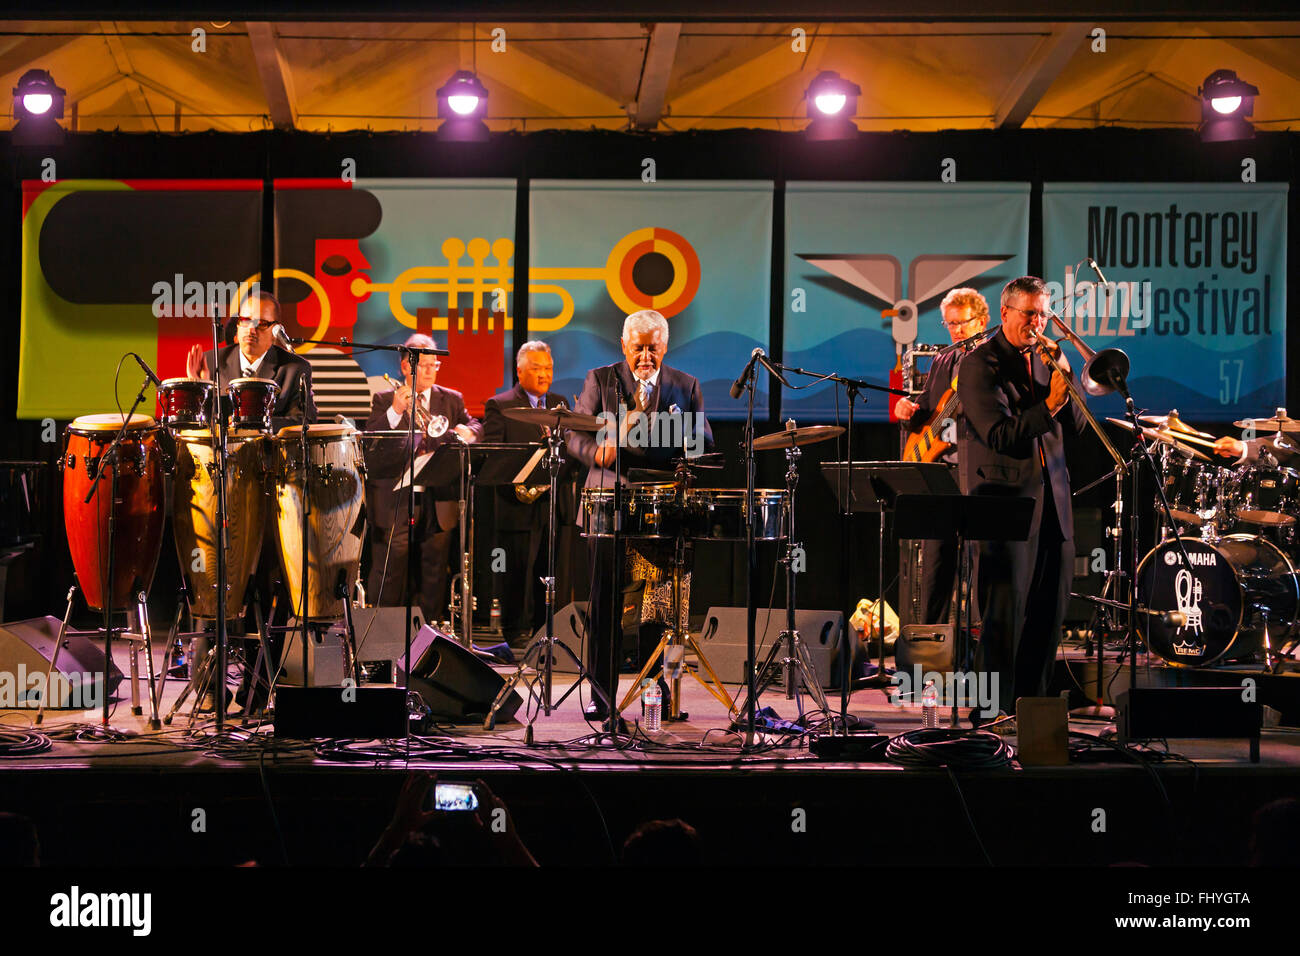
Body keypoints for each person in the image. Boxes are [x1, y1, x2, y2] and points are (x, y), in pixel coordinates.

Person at [567, 310, 713, 720]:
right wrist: (596, 451)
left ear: (665, 346)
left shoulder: (686, 386)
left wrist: (669, 432)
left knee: (656, 609)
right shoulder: (601, 380)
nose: (645, 355)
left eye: (653, 347)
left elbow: (703, 440)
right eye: (638, 347)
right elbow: (573, 432)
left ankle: (655, 695)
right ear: (624, 345)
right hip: (606, 507)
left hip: (660, 509)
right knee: (606, 605)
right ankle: (601, 696)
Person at [957, 276, 1086, 721]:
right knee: (1002, 622)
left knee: (1048, 621)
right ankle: (989, 715)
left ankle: (1032, 717)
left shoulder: (1045, 360)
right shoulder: (979, 365)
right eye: (1028, 314)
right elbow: (999, 435)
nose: (1036, 323)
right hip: (1004, 509)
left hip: (1054, 507)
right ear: (1006, 313)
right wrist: (1049, 405)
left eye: (1042, 314)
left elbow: (1080, 428)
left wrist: (1066, 385)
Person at [365, 334, 482, 622]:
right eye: (423, 365)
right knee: (391, 570)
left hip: (437, 496)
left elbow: (473, 423)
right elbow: (371, 445)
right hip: (395, 498)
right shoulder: (384, 399)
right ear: (406, 367)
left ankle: (429, 633)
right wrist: (396, 411)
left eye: (434, 364)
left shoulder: (450, 399)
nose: (430, 370)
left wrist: (470, 432)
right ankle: (383, 634)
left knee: (433, 570)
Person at [894, 287, 990, 627]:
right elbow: (931, 411)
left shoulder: (993, 359)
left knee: (982, 558)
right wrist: (909, 412)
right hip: (941, 471)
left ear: (982, 320)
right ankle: (928, 640)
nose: (956, 331)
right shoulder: (943, 360)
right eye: (949, 324)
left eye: (962, 323)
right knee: (935, 559)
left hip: (980, 473)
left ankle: (982, 638)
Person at [482, 341, 579, 646]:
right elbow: (495, 455)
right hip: (517, 505)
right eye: (537, 368)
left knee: (550, 572)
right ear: (519, 370)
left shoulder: (560, 403)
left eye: (548, 369)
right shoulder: (500, 404)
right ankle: (513, 633)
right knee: (516, 573)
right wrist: (524, 488)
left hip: (553, 503)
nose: (544, 375)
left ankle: (547, 631)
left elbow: (573, 450)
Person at [185, 289, 316, 430]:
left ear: (275, 331)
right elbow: (200, 423)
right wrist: (198, 390)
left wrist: (257, 424)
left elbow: (304, 420)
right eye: (245, 321)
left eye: (261, 323)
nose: (251, 330)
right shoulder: (211, 362)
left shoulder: (294, 368)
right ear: (237, 325)